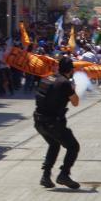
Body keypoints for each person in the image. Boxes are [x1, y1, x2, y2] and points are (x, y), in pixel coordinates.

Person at [33, 56, 80, 189]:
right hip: (53, 123)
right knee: (73, 147)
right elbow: (75, 103)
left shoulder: (47, 78)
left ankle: (46, 176)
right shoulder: (65, 83)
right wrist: (73, 88)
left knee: (54, 144)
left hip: (39, 121)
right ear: (71, 70)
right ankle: (64, 175)